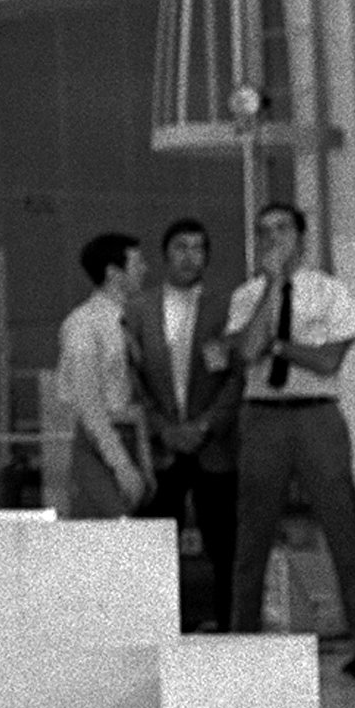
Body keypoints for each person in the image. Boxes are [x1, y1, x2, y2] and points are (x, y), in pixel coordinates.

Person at [221, 199, 355, 679]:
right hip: (263, 417)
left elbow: (328, 361)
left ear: (301, 237)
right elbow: (246, 352)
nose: (273, 238)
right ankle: (243, 639)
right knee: (252, 531)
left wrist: (279, 345)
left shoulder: (330, 292)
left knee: (342, 526)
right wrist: (272, 287)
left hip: (316, 416)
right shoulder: (247, 296)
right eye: (264, 230)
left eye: (283, 229)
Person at [126, 215, 242, 629]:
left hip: (213, 443)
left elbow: (236, 377)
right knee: (154, 545)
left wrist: (205, 426)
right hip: (161, 446)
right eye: (181, 248)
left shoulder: (226, 308)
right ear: (164, 256)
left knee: (224, 543)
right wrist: (162, 427)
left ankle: (230, 629)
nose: (190, 257)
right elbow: (132, 378)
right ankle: (156, 629)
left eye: (198, 249)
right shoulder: (139, 310)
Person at [58, 230, 147, 517]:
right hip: (101, 438)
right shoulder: (83, 325)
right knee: (110, 530)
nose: (145, 270)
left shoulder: (131, 320)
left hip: (132, 431)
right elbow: (89, 404)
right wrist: (120, 464)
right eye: (137, 263)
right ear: (113, 273)